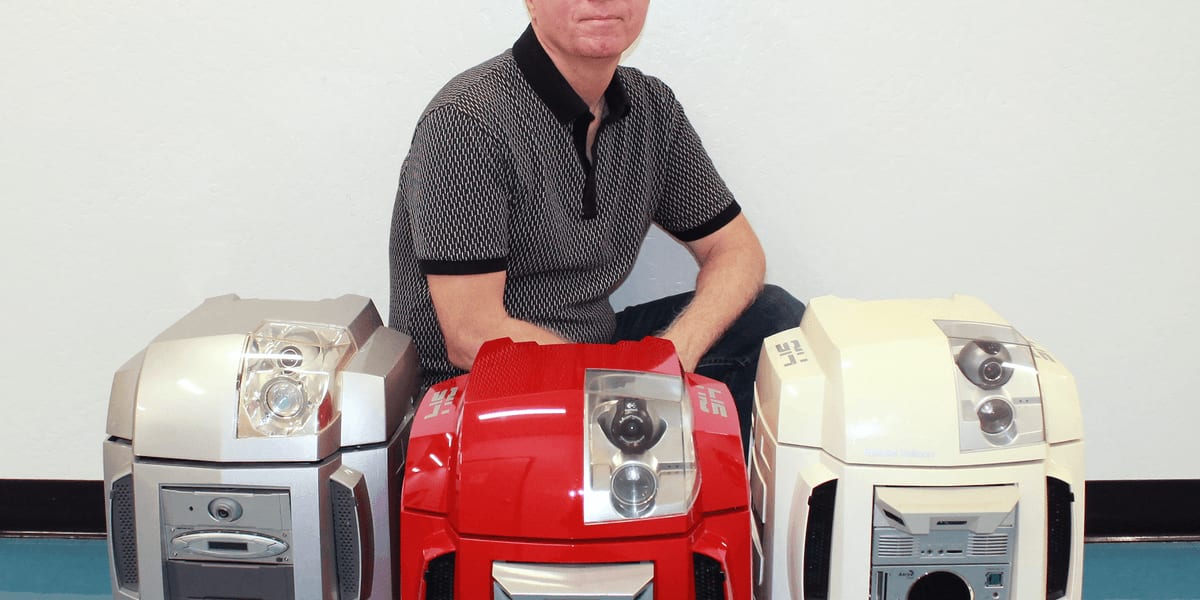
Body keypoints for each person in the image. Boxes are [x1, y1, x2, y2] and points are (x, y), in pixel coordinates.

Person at [389, 0, 804, 451]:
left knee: (773, 319)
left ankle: (700, 500)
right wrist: (619, 385)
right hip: (477, 390)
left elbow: (737, 250)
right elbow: (471, 337)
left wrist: (673, 354)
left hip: (596, 353)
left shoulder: (652, 109)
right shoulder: (467, 121)